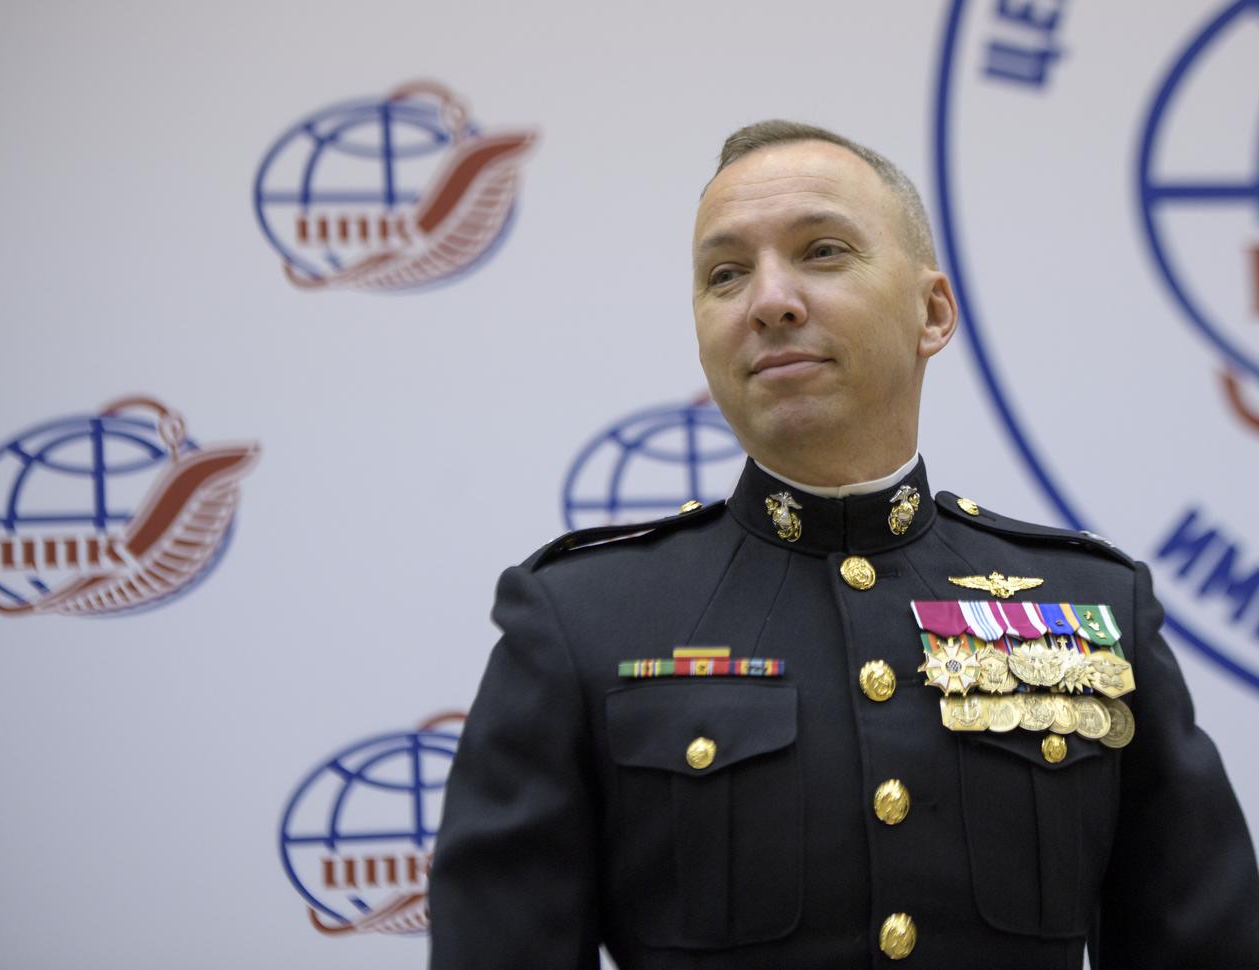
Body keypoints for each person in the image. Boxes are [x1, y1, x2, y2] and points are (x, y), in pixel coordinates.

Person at [427, 120, 1259, 969]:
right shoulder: (582, 619)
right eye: (725, 274)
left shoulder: (1092, 604)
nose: (769, 300)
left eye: (822, 252)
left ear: (933, 312)